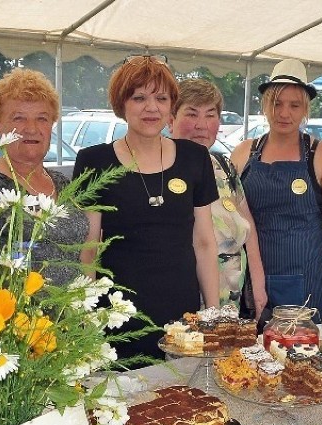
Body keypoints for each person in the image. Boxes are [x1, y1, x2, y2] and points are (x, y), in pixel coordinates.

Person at [74, 55, 219, 362]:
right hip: (118, 312)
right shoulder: (94, 161)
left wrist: (214, 313)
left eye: (161, 98)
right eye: (139, 97)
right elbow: (88, 247)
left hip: (182, 311)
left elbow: (205, 242)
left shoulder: (195, 157)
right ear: (121, 104)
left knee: (185, 401)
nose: (151, 108)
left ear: (171, 106)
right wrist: (83, 315)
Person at [231, 59, 322, 322]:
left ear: (305, 109)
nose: (284, 113)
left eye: (294, 105)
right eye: (277, 103)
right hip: (253, 270)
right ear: (265, 105)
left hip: (305, 269)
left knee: (301, 348)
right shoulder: (244, 153)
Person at [0, 68, 86, 286]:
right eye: (19, 118)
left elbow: (86, 255)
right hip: (18, 316)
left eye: (42, 118)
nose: (31, 128)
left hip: (75, 312)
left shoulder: (64, 183)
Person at [168, 78, 267, 316]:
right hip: (185, 298)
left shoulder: (224, 166)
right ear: (170, 120)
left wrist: (258, 283)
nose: (201, 125)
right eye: (191, 114)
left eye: (210, 115)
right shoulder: (162, 168)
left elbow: (248, 226)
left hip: (231, 299)